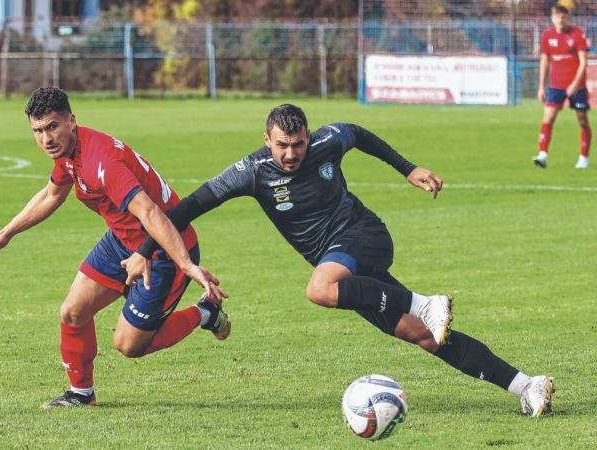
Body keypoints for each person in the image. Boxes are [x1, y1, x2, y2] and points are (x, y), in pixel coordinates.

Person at [122, 104, 555, 417]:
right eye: (282, 146)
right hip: (346, 268)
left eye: (298, 144)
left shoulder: (328, 142)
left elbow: (359, 133)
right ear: (266, 140)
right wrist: (144, 251)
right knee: (427, 339)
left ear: (309, 137)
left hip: (363, 237)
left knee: (320, 289)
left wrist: (407, 169)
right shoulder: (251, 172)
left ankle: (423, 301)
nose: (291, 154)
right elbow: (188, 207)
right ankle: (527, 386)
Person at [0, 87, 230, 409]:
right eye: (37, 131)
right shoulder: (69, 154)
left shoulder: (101, 161)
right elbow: (52, 194)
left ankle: (205, 313)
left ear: (71, 121)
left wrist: (185, 264)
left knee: (129, 345)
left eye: (52, 127)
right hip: (120, 241)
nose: (46, 139)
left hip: (163, 250)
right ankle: (81, 394)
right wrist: (6, 234)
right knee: (72, 312)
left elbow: (150, 212)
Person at [535, 4, 590, 169]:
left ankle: (583, 158)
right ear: (552, 18)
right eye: (557, 16)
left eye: (563, 16)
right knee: (548, 117)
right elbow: (544, 62)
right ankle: (542, 155)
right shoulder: (547, 35)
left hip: (577, 87)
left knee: (582, 121)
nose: (560, 19)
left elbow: (583, 62)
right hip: (556, 86)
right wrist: (541, 87)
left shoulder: (577, 34)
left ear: (568, 18)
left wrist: (575, 83)